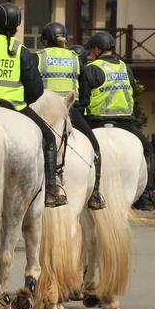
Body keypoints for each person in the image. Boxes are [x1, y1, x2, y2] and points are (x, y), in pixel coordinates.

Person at [0, 3, 67, 208]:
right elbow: (36, 90)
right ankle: (52, 189)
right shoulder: (21, 51)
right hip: (15, 107)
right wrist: (19, 96)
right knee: (49, 138)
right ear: (17, 25)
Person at [78, 31, 155, 210]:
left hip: (95, 122)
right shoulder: (124, 67)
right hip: (124, 123)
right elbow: (133, 94)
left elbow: (83, 99)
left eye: (90, 52)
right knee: (147, 149)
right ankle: (148, 193)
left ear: (98, 49)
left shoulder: (91, 69)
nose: (89, 56)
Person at [37, 22, 105, 210]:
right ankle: (96, 193)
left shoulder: (38, 57)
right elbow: (82, 86)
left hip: (43, 110)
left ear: (45, 41)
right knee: (95, 147)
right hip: (69, 110)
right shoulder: (75, 58)